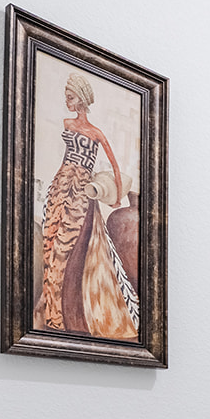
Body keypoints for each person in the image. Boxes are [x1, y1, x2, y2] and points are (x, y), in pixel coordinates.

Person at [35, 71, 138, 339]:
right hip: (62, 184)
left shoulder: (96, 133)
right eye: (66, 97)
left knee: (75, 244)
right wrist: (57, 186)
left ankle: (72, 312)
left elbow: (116, 167)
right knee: (52, 240)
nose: (67, 102)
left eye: (70, 97)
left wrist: (115, 195)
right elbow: (66, 161)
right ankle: (53, 312)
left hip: (83, 188)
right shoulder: (68, 124)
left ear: (81, 99)